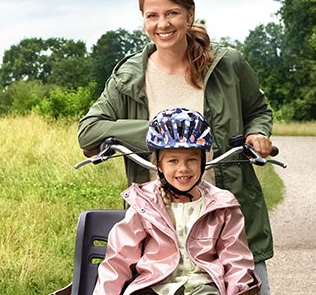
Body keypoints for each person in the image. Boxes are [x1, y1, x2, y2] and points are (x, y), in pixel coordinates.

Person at [77, 0, 275, 294]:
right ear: (143, 20)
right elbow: (89, 132)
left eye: (172, 13)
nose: (162, 24)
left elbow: (258, 111)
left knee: (248, 286)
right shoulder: (129, 76)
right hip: (158, 229)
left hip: (224, 219)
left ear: (190, 14)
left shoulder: (228, 66)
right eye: (152, 15)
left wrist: (257, 134)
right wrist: (161, 132)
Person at [95, 108, 259, 295]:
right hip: (155, 287)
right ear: (159, 165)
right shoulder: (145, 204)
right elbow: (119, 259)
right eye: (173, 161)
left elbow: (236, 261)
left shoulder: (222, 205)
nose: (183, 168)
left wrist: (238, 291)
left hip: (203, 288)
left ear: (203, 162)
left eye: (191, 160)